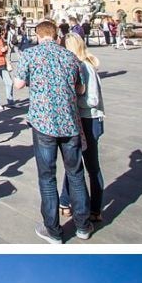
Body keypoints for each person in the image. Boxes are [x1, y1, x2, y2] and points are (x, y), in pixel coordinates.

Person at [11, 19, 91, 243]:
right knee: (75, 175)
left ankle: (54, 231)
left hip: (43, 123)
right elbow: (81, 88)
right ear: (56, 36)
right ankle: (83, 226)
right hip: (70, 123)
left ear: (38, 36)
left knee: (47, 178)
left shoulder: (30, 55)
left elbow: (18, 84)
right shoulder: (70, 56)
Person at [60, 33, 106, 223]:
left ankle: (94, 209)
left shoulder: (85, 67)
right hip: (82, 119)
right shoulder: (80, 65)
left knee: (90, 166)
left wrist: (72, 101)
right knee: (74, 162)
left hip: (89, 120)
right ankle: (65, 201)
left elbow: (92, 100)